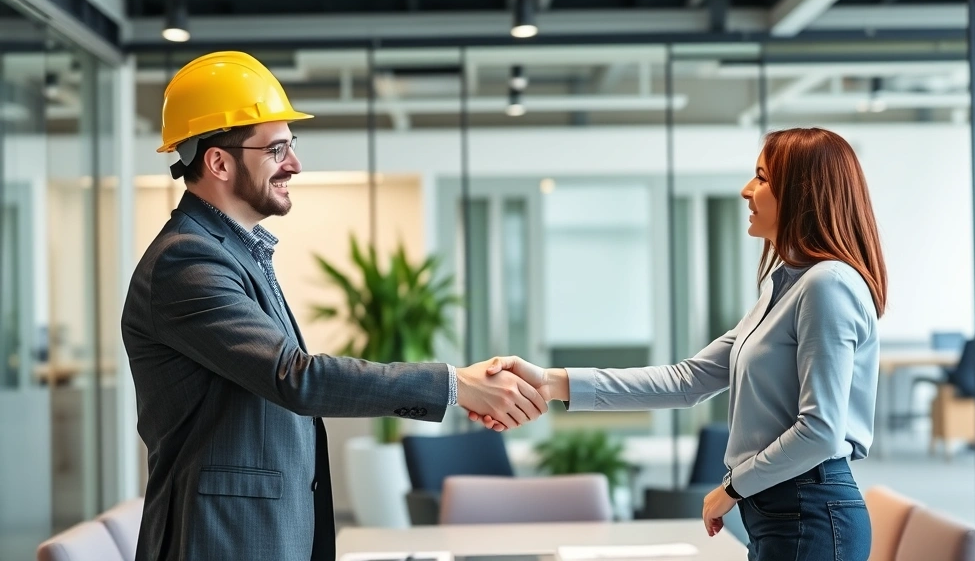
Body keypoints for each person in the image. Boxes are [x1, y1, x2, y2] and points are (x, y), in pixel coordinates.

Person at [121, 51, 546, 561]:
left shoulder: (231, 251)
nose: (294, 164)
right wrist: (457, 385)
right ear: (219, 162)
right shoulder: (186, 261)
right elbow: (296, 378)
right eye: (277, 149)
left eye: (291, 146)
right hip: (222, 540)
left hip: (255, 534)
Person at [472, 127, 887, 561]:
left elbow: (820, 432)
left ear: (804, 193)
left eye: (762, 178)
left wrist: (731, 487)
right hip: (782, 510)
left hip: (809, 511)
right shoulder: (785, 287)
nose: (747, 191)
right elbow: (687, 380)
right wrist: (552, 383)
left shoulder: (827, 285)